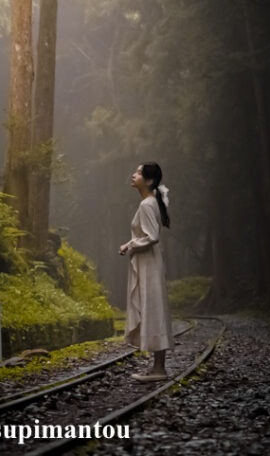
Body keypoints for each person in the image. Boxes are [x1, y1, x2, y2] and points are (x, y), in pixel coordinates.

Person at [119, 162, 173, 381]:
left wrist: (129, 245)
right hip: (149, 262)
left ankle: (159, 368)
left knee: (153, 308)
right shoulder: (151, 202)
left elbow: (152, 236)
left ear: (149, 181)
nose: (134, 175)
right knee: (153, 307)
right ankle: (157, 366)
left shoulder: (147, 205)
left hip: (149, 263)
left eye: (139, 172)